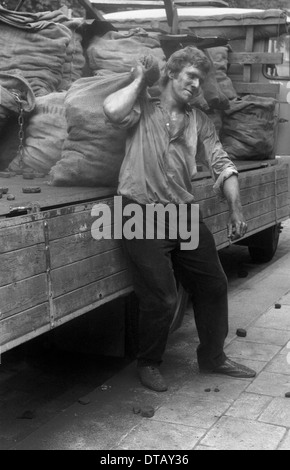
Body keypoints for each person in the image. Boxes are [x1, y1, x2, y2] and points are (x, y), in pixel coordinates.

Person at [103, 46, 256, 392]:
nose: (196, 84)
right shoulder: (143, 107)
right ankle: (148, 362)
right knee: (163, 297)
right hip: (137, 210)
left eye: (200, 79)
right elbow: (111, 111)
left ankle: (213, 357)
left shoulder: (198, 121)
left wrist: (236, 208)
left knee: (214, 284)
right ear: (172, 74)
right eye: (190, 76)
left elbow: (222, 163)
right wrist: (141, 77)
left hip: (181, 212)